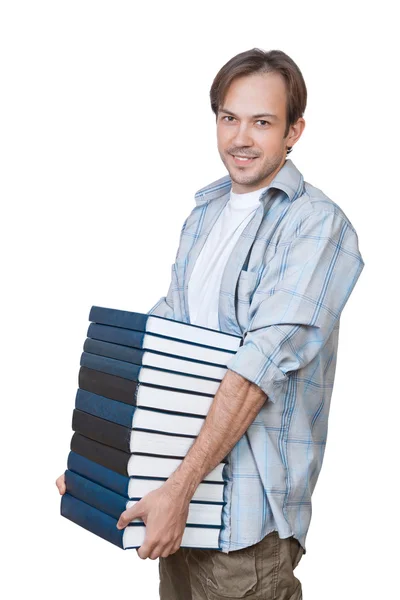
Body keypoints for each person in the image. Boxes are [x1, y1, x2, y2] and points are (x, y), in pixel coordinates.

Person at [56, 48, 365, 599]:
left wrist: (177, 488)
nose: (241, 137)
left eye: (262, 122)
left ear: (294, 130)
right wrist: (95, 462)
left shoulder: (317, 226)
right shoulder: (206, 214)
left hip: (244, 526)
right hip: (182, 507)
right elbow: (164, 345)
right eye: (229, 118)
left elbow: (256, 370)